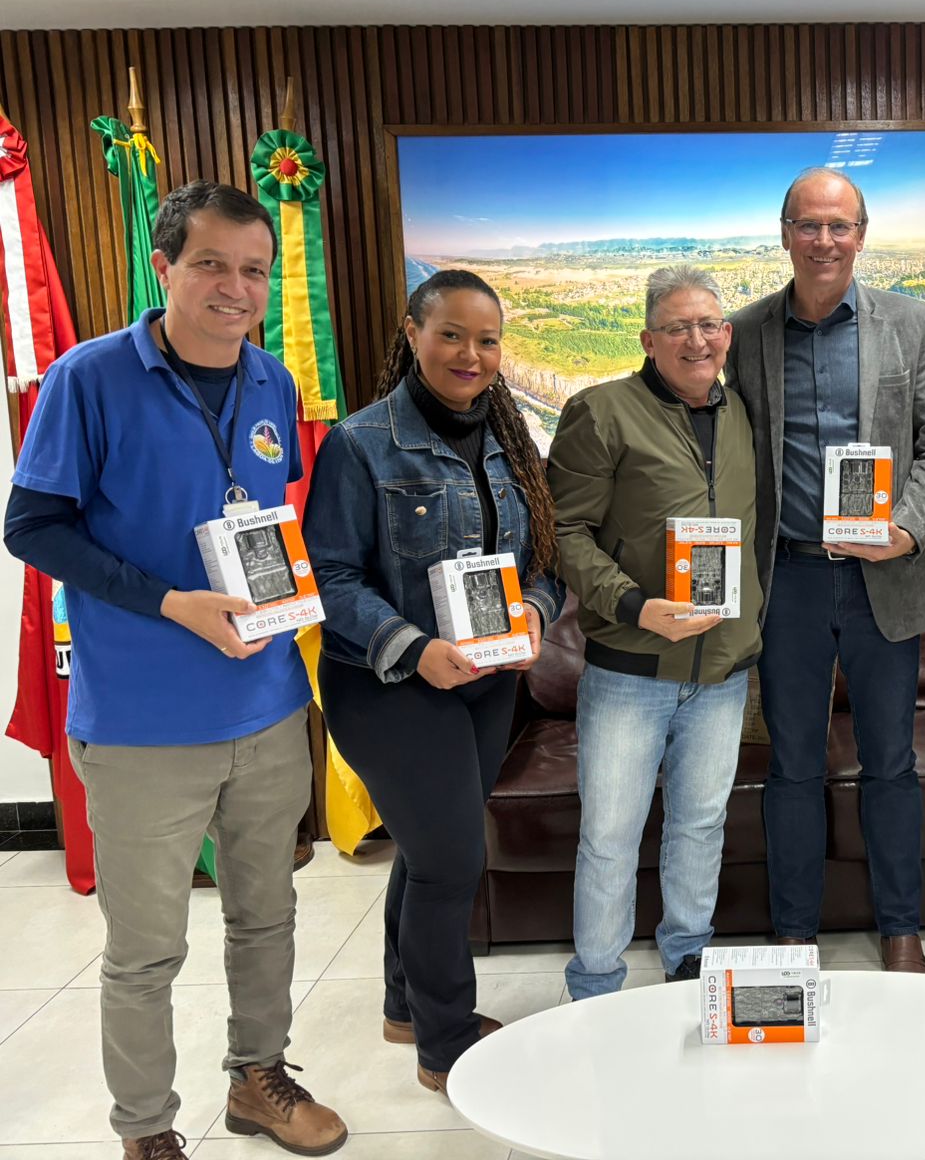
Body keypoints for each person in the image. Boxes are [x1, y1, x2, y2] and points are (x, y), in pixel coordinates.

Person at [4, 181, 347, 1160]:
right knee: (146, 949)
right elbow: (32, 526)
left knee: (267, 918)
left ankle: (257, 1078)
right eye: (211, 265)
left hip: (267, 708)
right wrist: (171, 603)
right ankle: (147, 1131)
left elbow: (261, 519)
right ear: (162, 267)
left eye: (254, 270)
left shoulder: (273, 381)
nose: (236, 289)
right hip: (142, 725)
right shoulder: (88, 378)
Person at [302, 269, 562, 1096]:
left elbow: (544, 563)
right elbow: (330, 577)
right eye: (451, 334)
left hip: (485, 684)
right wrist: (413, 648)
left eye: (487, 340)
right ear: (413, 333)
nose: (470, 354)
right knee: (451, 862)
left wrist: (535, 617)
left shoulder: (511, 441)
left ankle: (404, 1006)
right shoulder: (360, 443)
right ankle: (445, 1044)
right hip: (388, 685)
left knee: (428, 849)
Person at [724, 167, 925, 973]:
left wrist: (908, 527)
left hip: (883, 581)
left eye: (839, 226)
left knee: (890, 762)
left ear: (861, 236)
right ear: (784, 233)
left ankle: (901, 927)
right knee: (793, 765)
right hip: (787, 578)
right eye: (809, 224)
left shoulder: (911, 322)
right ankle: (795, 933)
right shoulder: (746, 332)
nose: (824, 240)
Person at [547, 264, 763, 999]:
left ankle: (688, 958)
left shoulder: (745, 414)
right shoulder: (601, 412)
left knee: (701, 824)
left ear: (726, 335)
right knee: (610, 836)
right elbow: (563, 532)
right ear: (647, 339)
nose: (696, 341)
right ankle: (595, 983)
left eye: (708, 325)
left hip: (723, 671)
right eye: (676, 327)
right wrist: (634, 604)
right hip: (629, 670)